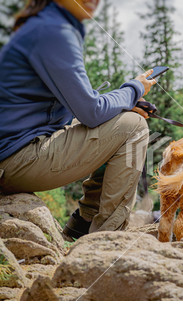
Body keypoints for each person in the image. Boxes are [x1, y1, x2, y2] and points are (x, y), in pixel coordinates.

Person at [0, 0, 157, 239]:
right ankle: (106, 239)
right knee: (134, 127)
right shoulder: (55, 32)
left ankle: (83, 225)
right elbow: (91, 111)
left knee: (118, 120)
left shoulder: (43, 26)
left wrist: (124, 102)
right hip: (15, 160)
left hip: (14, 154)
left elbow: (83, 107)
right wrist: (135, 88)